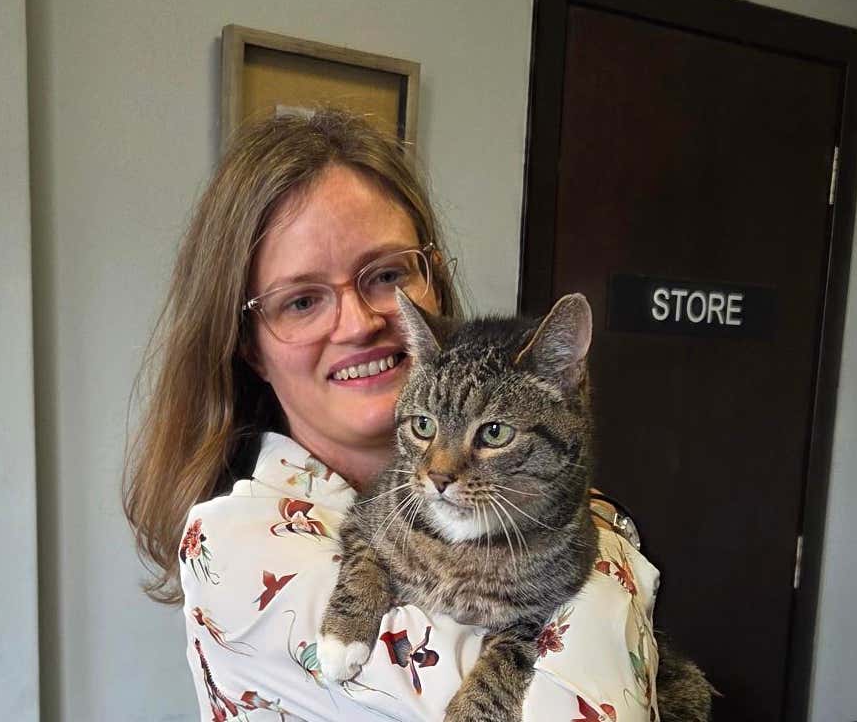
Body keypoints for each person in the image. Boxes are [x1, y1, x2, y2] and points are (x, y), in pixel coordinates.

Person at [124, 108, 659, 721]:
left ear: (430, 280)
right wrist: (615, 556)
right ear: (250, 346)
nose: (359, 324)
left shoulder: (512, 480)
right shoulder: (234, 543)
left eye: (385, 275)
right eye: (302, 300)